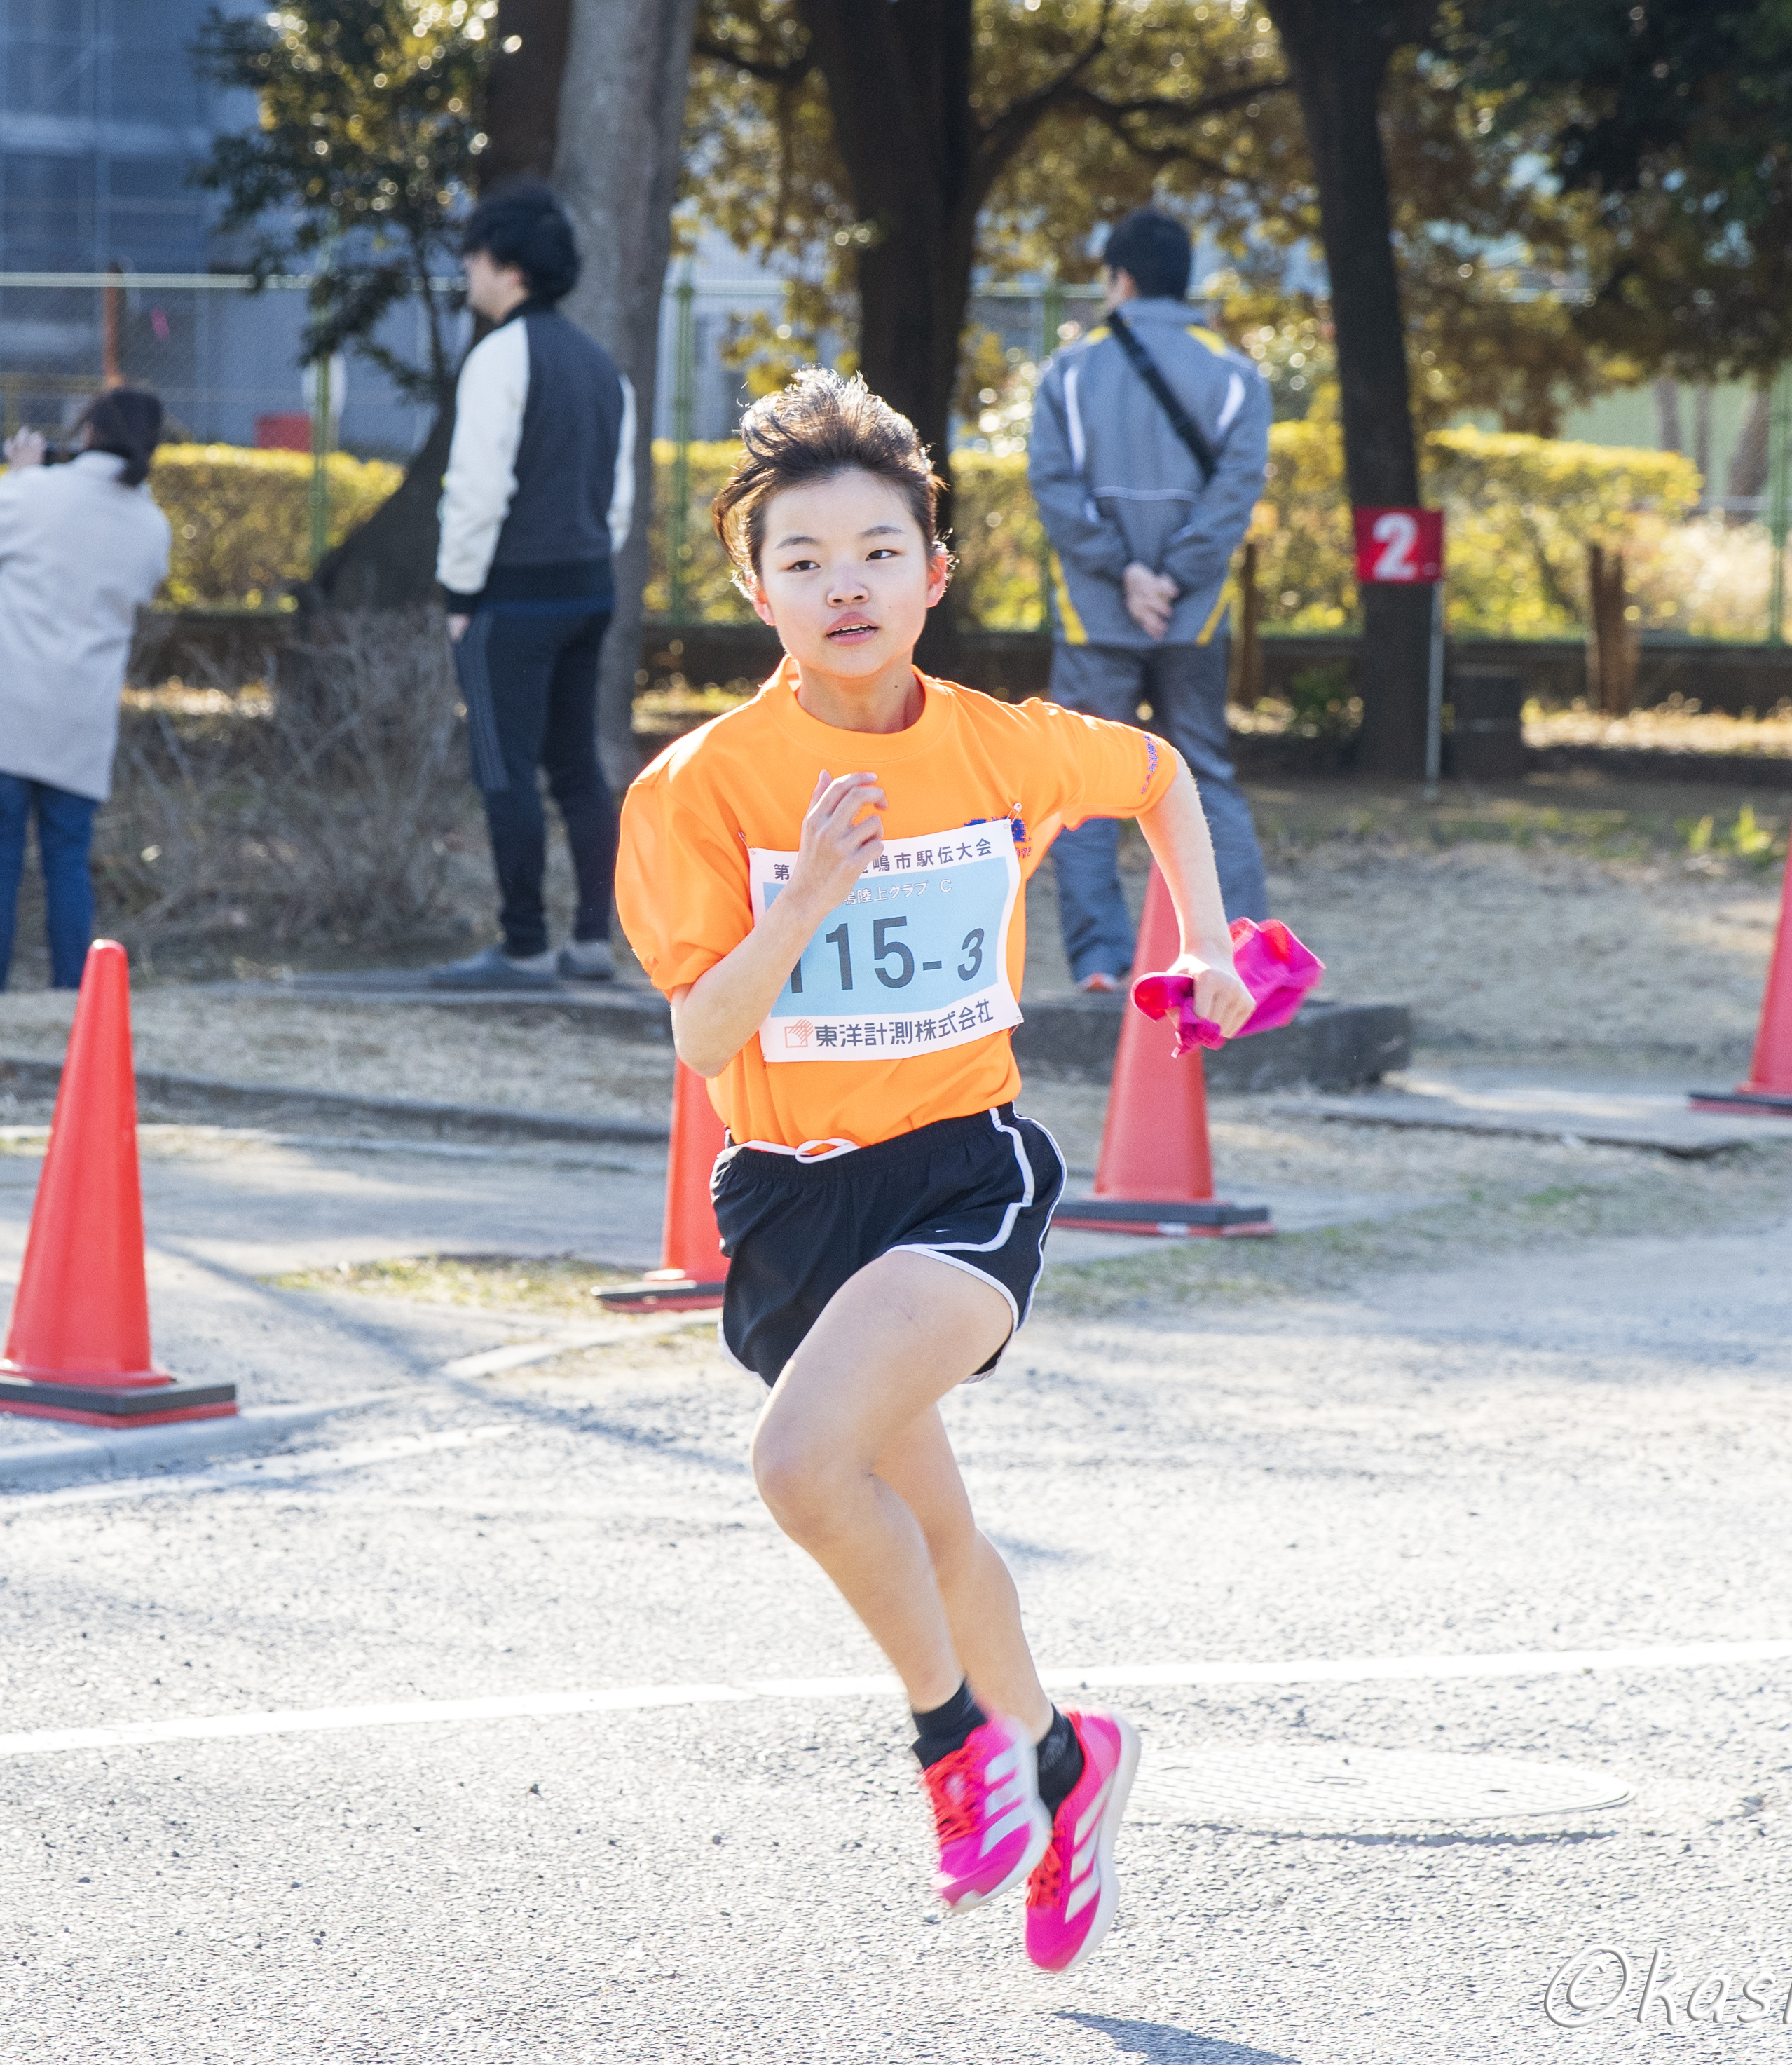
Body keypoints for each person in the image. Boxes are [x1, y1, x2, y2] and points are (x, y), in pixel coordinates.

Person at [613, 369, 1254, 1974]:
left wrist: (1214, 944)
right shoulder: (698, 789)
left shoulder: (1000, 748)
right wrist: (807, 891)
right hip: (790, 1199)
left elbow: (1162, 778)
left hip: (961, 1177)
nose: (847, 583)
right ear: (754, 587)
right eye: (808, 556)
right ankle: (1059, 1757)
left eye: (879, 550)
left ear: (933, 573)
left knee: (795, 1463)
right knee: (931, 1531)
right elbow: (706, 1034)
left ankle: (952, 1744)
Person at [1024, 207, 1273, 993]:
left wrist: (1125, 571)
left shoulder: (1069, 371)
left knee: (1085, 786)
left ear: (1120, 277)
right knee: (1203, 776)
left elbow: (1055, 487)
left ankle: (1101, 962)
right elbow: (1235, 492)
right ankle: (1241, 961)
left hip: (1095, 613)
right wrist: (1174, 575)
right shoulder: (1236, 373)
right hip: (1192, 615)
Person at [430, 181, 636, 992]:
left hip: (509, 597)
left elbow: (477, 492)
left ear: (507, 267)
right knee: (577, 767)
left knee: (504, 767)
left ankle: (521, 945)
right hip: (589, 588)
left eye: (474, 258)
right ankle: (591, 939)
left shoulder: (499, 358)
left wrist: (457, 596)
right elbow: (616, 499)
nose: (469, 274)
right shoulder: (601, 367)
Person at [0, 386, 175, 992]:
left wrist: (18, 476)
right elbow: (144, 585)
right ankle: (70, 999)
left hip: (0, 703)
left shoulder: (36, 492)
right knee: (67, 863)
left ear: (87, 432)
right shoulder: (150, 526)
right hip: (77, 715)